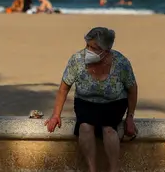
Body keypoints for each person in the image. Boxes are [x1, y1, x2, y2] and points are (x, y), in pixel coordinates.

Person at [45, 27, 138, 172]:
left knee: (109, 130)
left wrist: (130, 117)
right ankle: (91, 169)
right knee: (85, 128)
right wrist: (56, 115)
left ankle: (113, 169)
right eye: (87, 45)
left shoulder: (121, 63)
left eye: (93, 48)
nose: (88, 50)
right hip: (85, 103)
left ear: (106, 50)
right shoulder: (76, 60)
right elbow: (64, 88)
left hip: (113, 104)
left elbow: (132, 90)